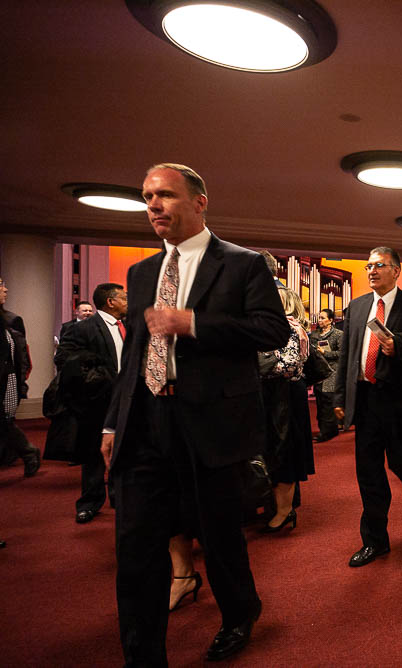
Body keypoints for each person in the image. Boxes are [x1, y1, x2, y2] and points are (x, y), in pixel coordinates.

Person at [100, 163, 291, 664]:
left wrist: (194, 323)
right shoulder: (142, 273)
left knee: (220, 534)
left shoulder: (242, 264)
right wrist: (113, 422)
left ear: (200, 201)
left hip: (211, 425)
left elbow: (274, 332)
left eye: (164, 195)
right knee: (138, 546)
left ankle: (240, 612)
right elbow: (137, 352)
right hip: (145, 424)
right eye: (146, 197)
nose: (153, 206)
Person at [333, 247, 402, 567]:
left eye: (379, 266)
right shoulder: (356, 308)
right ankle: (375, 541)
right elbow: (347, 356)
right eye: (369, 266)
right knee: (368, 474)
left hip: (401, 403)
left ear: (396, 271)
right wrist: (341, 398)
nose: (371, 271)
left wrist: (401, 345)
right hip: (366, 401)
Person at [54, 282, 127, 523]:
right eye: (124, 298)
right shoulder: (84, 329)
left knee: (125, 448)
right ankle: (90, 502)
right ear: (111, 302)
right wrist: (96, 380)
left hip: (127, 399)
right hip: (97, 400)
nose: (128, 302)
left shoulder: (128, 325)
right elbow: (65, 359)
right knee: (94, 453)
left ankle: (120, 497)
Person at [260, 288, 314, 532]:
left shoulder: (291, 329)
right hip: (271, 395)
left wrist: (258, 362)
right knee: (270, 452)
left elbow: (289, 366)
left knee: (285, 453)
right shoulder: (269, 327)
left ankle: (285, 511)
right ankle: (277, 507)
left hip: (286, 396)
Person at [0, 276, 40, 477]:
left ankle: (27, 451)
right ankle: (27, 452)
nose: (5, 290)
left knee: (5, 421)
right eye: (1, 285)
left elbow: (20, 356)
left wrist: (21, 382)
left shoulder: (9, 321)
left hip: (6, 380)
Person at [309, 308, 342, 443]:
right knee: (320, 402)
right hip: (319, 372)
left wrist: (325, 353)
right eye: (319, 318)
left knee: (328, 402)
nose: (320, 320)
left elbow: (342, 353)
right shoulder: (314, 335)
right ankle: (324, 429)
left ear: (331, 320)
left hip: (332, 372)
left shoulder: (339, 334)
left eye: (323, 318)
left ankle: (327, 431)